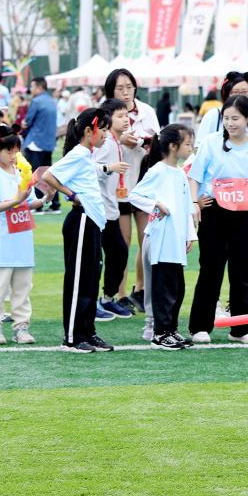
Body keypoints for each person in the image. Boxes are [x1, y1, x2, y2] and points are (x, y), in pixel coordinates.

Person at [187, 94, 248, 345]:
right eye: (227, 118)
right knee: (210, 268)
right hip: (214, 211)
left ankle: (241, 329)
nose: (230, 123)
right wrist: (194, 204)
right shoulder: (211, 143)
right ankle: (200, 326)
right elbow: (194, 176)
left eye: (236, 118)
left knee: (241, 270)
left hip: (244, 211)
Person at [39, 108, 115, 354]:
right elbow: (49, 175)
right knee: (78, 281)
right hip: (81, 220)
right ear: (88, 131)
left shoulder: (86, 155)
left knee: (91, 281)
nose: (106, 135)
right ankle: (72, 337)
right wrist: (72, 195)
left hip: (92, 222)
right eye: (103, 129)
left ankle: (88, 332)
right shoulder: (79, 153)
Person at [128, 123, 198, 350]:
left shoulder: (180, 173)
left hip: (176, 240)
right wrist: (156, 204)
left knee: (177, 288)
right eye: (187, 144)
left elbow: (186, 207)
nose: (190, 148)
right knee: (163, 288)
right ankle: (160, 333)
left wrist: (190, 235)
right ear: (173, 146)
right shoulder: (157, 171)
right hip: (161, 239)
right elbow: (135, 196)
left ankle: (170, 329)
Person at [103, 68, 160, 314]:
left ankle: (141, 288)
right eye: (120, 88)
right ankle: (120, 293)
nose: (126, 92)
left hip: (143, 181)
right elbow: (97, 141)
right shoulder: (104, 113)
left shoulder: (147, 111)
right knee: (122, 241)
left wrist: (145, 142)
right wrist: (119, 138)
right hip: (117, 186)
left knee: (147, 237)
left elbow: (157, 141)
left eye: (129, 87)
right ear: (111, 91)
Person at [0, 127, 42, 345]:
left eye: (16, 150)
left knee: (23, 288)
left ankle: (21, 327)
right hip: (1, 240)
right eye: (9, 151)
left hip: (22, 238)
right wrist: (17, 200)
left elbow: (29, 202)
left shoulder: (21, 172)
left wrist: (45, 198)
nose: (14, 155)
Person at [94, 99, 135, 319]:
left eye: (126, 115)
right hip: (99, 210)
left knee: (118, 252)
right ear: (108, 119)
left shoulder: (115, 142)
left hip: (110, 208)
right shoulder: (106, 143)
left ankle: (107, 299)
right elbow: (90, 168)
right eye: (120, 116)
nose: (125, 119)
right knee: (103, 257)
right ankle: (95, 302)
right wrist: (109, 168)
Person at [23, 77, 60, 214]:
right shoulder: (52, 101)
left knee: (35, 174)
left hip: (35, 142)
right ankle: (55, 204)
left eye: (32, 87)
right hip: (48, 143)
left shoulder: (36, 101)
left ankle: (37, 205)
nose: (31, 89)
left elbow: (27, 121)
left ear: (39, 87)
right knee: (49, 174)